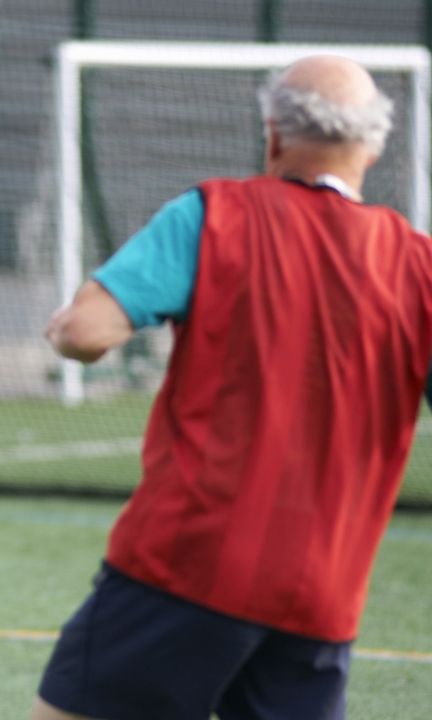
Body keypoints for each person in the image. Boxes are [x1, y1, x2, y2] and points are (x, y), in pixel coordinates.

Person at [32, 55, 432, 720]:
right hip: (324, 594)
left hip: (189, 565)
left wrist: (70, 326)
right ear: (374, 145)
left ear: (273, 134)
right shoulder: (418, 267)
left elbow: (86, 332)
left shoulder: (217, 214)